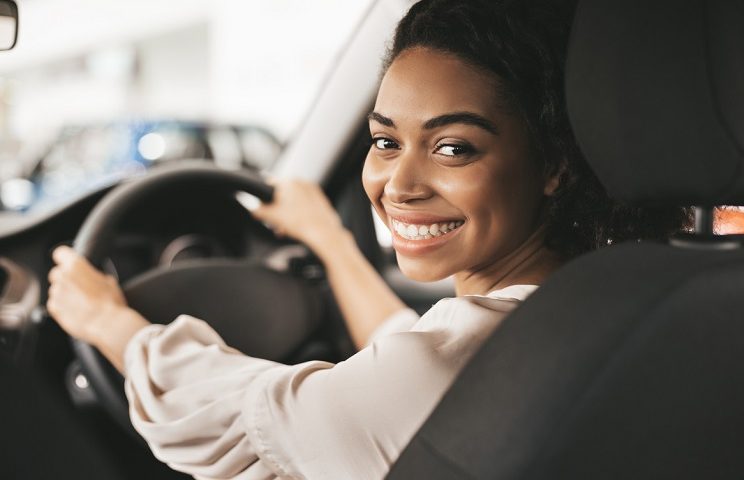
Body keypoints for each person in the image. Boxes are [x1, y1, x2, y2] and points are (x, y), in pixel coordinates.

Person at [46, 0, 690, 478]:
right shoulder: (624, 308)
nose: (398, 184)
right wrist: (331, 242)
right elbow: (407, 353)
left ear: (555, 163)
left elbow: (240, 413)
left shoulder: (450, 372)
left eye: (453, 148)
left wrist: (110, 323)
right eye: (384, 141)